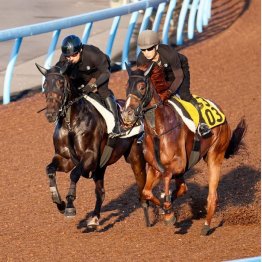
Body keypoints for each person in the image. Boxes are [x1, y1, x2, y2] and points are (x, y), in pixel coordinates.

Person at [136, 30, 212, 139]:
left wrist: (168, 92)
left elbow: (179, 77)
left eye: (149, 49)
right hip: (159, 74)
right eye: (143, 50)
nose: (146, 52)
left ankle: (202, 124)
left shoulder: (169, 54)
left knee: (185, 96)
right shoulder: (141, 60)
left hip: (178, 72)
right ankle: (145, 131)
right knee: (148, 100)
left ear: (156, 47)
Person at [56, 34, 121, 137]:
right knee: (72, 91)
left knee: (102, 91)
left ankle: (117, 124)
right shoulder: (65, 58)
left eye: (74, 55)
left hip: (98, 71)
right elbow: (58, 73)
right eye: (68, 56)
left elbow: (106, 73)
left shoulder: (92, 53)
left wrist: (93, 86)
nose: (71, 58)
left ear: (80, 50)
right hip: (81, 73)